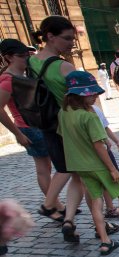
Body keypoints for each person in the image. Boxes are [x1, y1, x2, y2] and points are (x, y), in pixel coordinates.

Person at [58, 71, 119, 254]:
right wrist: (112, 169)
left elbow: (64, 138)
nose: (95, 96)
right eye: (91, 93)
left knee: (96, 201)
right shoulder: (90, 116)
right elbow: (99, 146)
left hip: (79, 165)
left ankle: (105, 241)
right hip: (97, 165)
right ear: (80, 94)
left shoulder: (64, 113)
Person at [0, 38, 61, 231]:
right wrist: (17, 133)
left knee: (49, 167)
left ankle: (54, 204)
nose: (26, 58)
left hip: (38, 125)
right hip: (29, 128)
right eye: (21, 55)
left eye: (27, 54)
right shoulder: (7, 80)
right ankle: (52, 205)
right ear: (9, 57)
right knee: (48, 167)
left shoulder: (24, 73)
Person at [30, 15, 83, 231]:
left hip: (46, 123)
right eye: (67, 38)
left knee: (74, 172)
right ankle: (49, 204)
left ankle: (68, 218)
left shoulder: (31, 61)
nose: (72, 43)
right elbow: (80, 100)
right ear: (50, 37)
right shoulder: (64, 67)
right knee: (72, 170)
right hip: (67, 124)